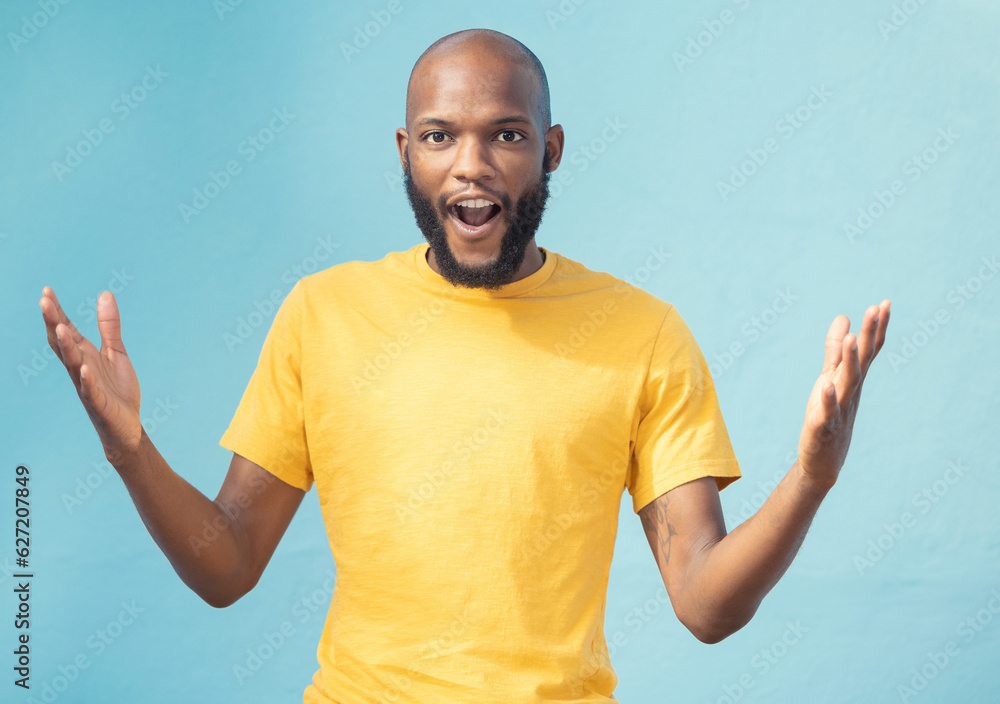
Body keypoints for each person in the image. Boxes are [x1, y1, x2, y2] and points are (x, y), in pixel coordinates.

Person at [39, 28, 891, 704]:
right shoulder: (322, 314)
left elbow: (705, 604)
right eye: (441, 136)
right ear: (406, 150)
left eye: (506, 135)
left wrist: (811, 477)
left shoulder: (641, 333)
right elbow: (225, 567)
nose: (471, 164)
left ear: (550, 149)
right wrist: (130, 453)